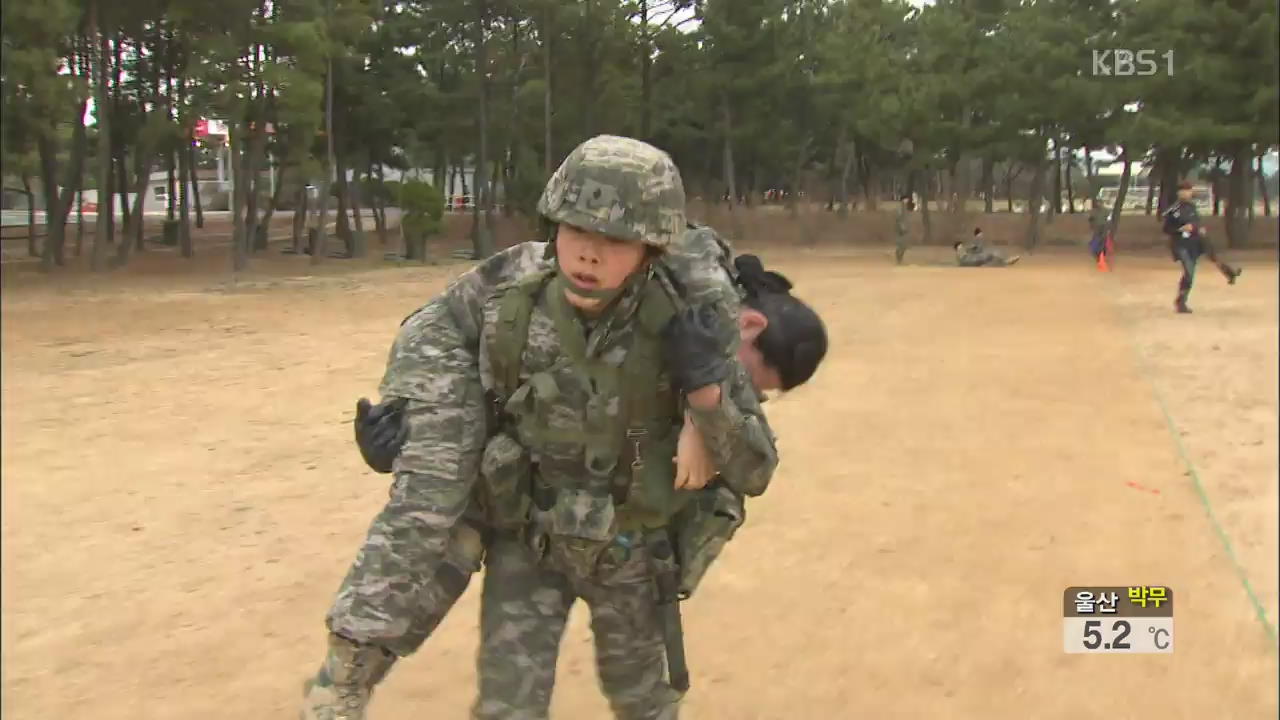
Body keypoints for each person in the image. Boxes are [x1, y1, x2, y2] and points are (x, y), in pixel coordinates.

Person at [302, 135, 820, 720]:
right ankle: (340, 684)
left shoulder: (693, 322)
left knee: (644, 703)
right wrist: (414, 429)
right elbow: (438, 344)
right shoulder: (510, 294)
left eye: (615, 240)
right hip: (531, 542)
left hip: (630, 554)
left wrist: (704, 396)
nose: (589, 255)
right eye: (576, 231)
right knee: (507, 707)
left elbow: (753, 470)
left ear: (652, 248)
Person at [1162, 179, 1242, 314]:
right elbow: (1166, 229)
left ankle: (1230, 273)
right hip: (1181, 244)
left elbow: (1196, 222)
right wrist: (1180, 229)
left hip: (1195, 241)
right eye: (1183, 191)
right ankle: (1181, 301)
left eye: (1188, 190)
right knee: (1189, 271)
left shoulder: (1192, 207)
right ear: (1178, 193)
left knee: (1213, 256)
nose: (1186, 193)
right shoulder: (1173, 210)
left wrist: (1199, 228)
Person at [953, 229, 1020, 267]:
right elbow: (965, 257)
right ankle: (1006, 261)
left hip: (975, 260)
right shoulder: (960, 251)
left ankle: (1006, 262)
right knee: (991, 255)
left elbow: (970, 252)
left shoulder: (963, 251)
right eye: (960, 245)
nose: (962, 246)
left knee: (991, 257)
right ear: (958, 247)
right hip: (975, 260)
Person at [894, 194, 913, 265]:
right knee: (901, 244)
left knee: (904, 245)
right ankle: (899, 259)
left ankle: (900, 259)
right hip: (901, 229)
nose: (907, 200)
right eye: (906, 199)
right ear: (903, 199)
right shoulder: (900, 207)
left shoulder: (904, 207)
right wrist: (902, 227)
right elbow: (898, 218)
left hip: (904, 228)